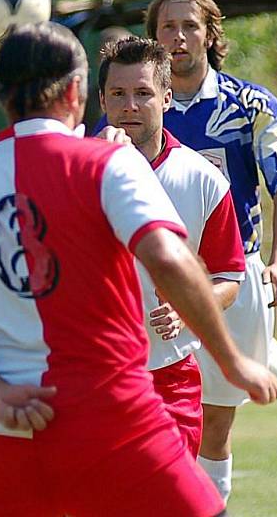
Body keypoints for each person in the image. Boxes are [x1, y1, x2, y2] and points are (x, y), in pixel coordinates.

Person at [0, 21, 277, 516]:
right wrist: (231, 361)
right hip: (119, 424)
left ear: (2, 96)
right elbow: (168, 258)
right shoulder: (111, 164)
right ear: (79, 91)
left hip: (9, 430)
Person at [144, 0, 277, 501]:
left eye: (189, 26)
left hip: (233, 277)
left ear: (210, 34)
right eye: (166, 27)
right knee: (154, 421)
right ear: (153, 37)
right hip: (151, 282)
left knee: (214, 428)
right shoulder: (135, 105)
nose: (178, 37)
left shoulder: (249, 105)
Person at [97, 35, 246, 457]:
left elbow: (229, 276)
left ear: (166, 98)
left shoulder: (203, 179)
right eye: (118, 94)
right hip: (90, 375)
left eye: (143, 93)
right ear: (101, 100)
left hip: (170, 376)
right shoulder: (73, 172)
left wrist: (187, 308)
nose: (130, 106)